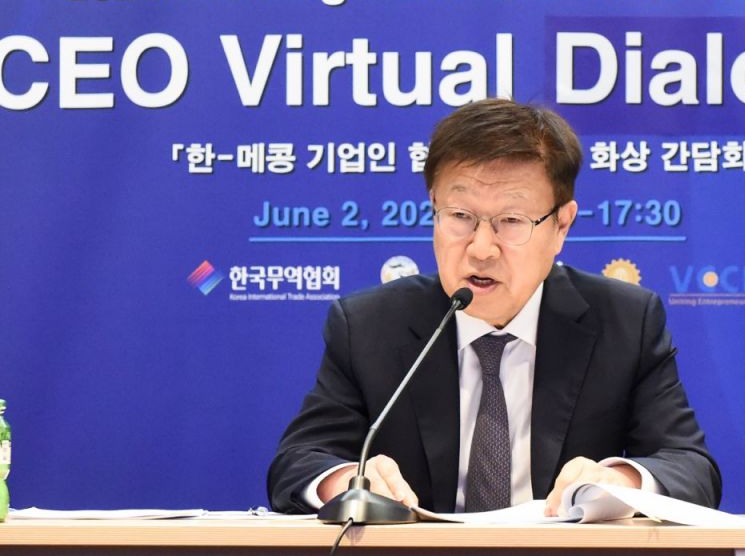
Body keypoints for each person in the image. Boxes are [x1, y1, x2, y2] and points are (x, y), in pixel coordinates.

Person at [267, 98, 721, 515]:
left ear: (561, 226)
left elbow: (691, 467)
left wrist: (620, 481)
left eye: (511, 221)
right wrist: (350, 480)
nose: (481, 249)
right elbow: (298, 463)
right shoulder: (370, 325)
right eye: (460, 216)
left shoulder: (625, 321)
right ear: (434, 209)